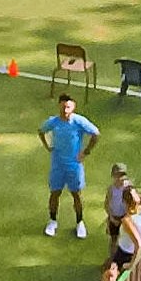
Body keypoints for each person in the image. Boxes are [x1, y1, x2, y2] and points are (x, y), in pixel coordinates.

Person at [40, 94, 101, 237]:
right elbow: (41, 131)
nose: (65, 110)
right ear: (59, 106)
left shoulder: (79, 121)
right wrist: (48, 146)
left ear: (73, 107)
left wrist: (86, 152)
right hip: (57, 165)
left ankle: (80, 222)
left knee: (76, 195)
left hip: (74, 166)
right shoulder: (53, 122)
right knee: (55, 193)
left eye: (68, 107)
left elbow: (96, 134)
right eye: (62, 106)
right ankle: (52, 221)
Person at [97, 187, 141, 281]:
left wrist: (131, 265)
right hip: (127, 252)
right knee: (108, 271)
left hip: (125, 255)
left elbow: (138, 244)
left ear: (125, 202)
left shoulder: (127, 220)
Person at [103, 162, 134, 246]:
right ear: (113, 176)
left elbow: (132, 203)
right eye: (117, 176)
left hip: (125, 216)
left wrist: (127, 216)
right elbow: (106, 204)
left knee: (125, 237)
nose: (120, 178)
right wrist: (111, 218)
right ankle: (112, 255)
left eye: (122, 175)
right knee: (113, 238)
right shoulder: (111, 189)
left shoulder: (128, 188)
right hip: (114, 217)